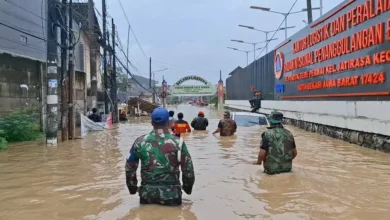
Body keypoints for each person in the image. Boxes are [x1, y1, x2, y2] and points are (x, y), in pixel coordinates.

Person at [125, 107, 195, 205]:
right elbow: (188, 170)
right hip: (172, 195)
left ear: (152, 122)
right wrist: (187, 188)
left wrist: (132, 189)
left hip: (147, 195)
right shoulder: (178, 142)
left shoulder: (139, 142)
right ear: (168, 123)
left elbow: (130, 168)